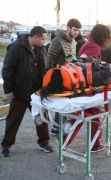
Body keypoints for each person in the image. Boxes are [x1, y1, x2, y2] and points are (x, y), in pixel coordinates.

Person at [1, 26, 53, 157]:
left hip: (37, 92)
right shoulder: (16, 47)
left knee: (41, 117)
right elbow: (7, 69)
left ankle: (43, 143)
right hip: (20, 92)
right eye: (42, 38)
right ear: (35, 37)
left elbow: (45, 69)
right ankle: (6, 146)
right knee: (13, 119)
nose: (43, 41)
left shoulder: (41, 49)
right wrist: (8, 89)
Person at [77, 24, 111, 152]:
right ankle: (95, 144)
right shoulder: (94, 46)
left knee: (89, 115)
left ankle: (95, 143)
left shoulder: (88, 43)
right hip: (88, 87)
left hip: (84, 85)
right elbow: (89, 68)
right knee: (92, 115)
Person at [47, 18, 82, 135]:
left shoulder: (73, 41)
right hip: (58, 76)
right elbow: (50, 58)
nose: (76, 32)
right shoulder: (57, 40)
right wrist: (50, 76)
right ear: (68, 28)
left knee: (66, 102)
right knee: (61, 103)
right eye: (75, 29)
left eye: (78, 30)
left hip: (70, 75)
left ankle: (59, 127)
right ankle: (57, 127)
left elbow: (72, 58)